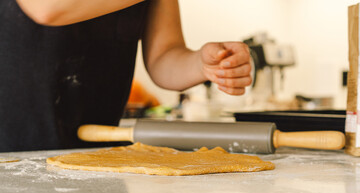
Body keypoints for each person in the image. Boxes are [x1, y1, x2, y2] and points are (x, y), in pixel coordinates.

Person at [0, 0, 252, 152]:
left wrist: (202, 65)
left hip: (96, 157)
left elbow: (163, 56)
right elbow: (47, 8)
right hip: (9, 156)